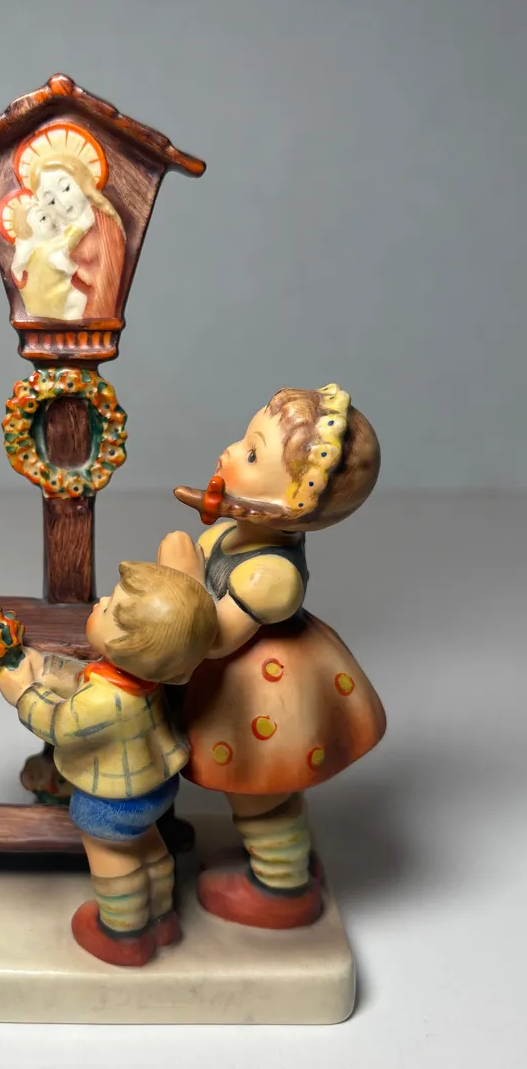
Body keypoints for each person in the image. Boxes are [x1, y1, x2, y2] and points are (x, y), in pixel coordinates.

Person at [159, 383, 387, 929]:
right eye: (245, 440)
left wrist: (180, 577)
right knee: (252, 793)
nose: (231, 451)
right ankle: (271, 859)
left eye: (252, 454)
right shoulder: (232, 533)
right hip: (234, 680)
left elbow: (216, 639)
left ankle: (282, 886)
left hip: (261, 692)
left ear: (291, 502)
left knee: (260, 792)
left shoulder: (270, 575)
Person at [0, 561, 217, 967]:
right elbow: (86, 677)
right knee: (150, 847)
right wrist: (42, 666)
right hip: (156, 787)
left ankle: (123, 933)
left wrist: (23, 694)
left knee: (112, 858)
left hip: (112, 802)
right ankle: (162, 917)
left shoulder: (104, 701)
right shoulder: (145, 678)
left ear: (129, 645)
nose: (100, 600)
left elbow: (59, 724)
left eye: (111, 607)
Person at [29, 153, 126, 317]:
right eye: (51, 201)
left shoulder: (104, 225)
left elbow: (107, 285)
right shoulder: (59, 234)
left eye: (66, 188)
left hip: (93, 313)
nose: (63, 204)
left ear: (81, 181)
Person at [9, 202, 87, 320]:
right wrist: (85, 221)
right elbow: (72, 237)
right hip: (62, 311)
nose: (51, 220)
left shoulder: (29, 255)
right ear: (29, 232)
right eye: (43, 218)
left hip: (34, 312)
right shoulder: (48, 249)